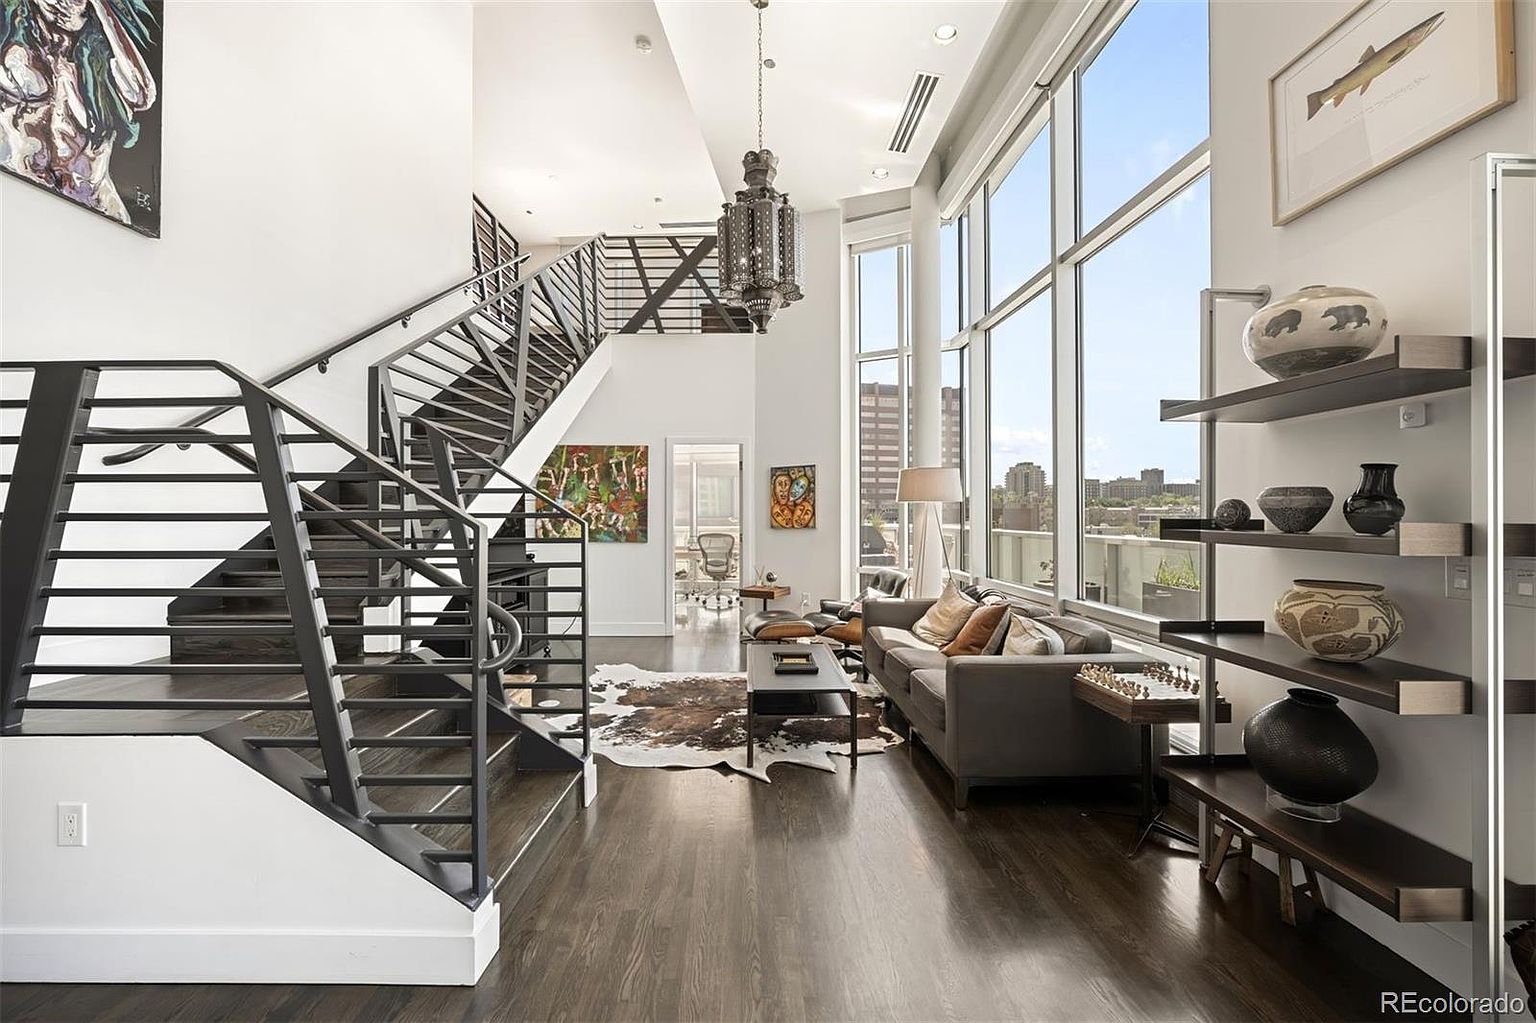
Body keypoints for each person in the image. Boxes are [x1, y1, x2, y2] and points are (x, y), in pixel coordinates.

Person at [1, 0, 158, 225]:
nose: (61, 4)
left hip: (96, 210)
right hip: (20, 198)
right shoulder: (15, 48)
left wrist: (103, 13)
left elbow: (142, 93)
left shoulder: (98, 67)